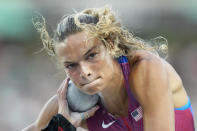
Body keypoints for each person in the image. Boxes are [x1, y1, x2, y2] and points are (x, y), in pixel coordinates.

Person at [23, 5, 195, 131]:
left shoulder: (145, 70)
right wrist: (61, 127)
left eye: (91, 56)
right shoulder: (69, 103)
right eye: (71, 65)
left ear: (110, 44)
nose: (84, 72)